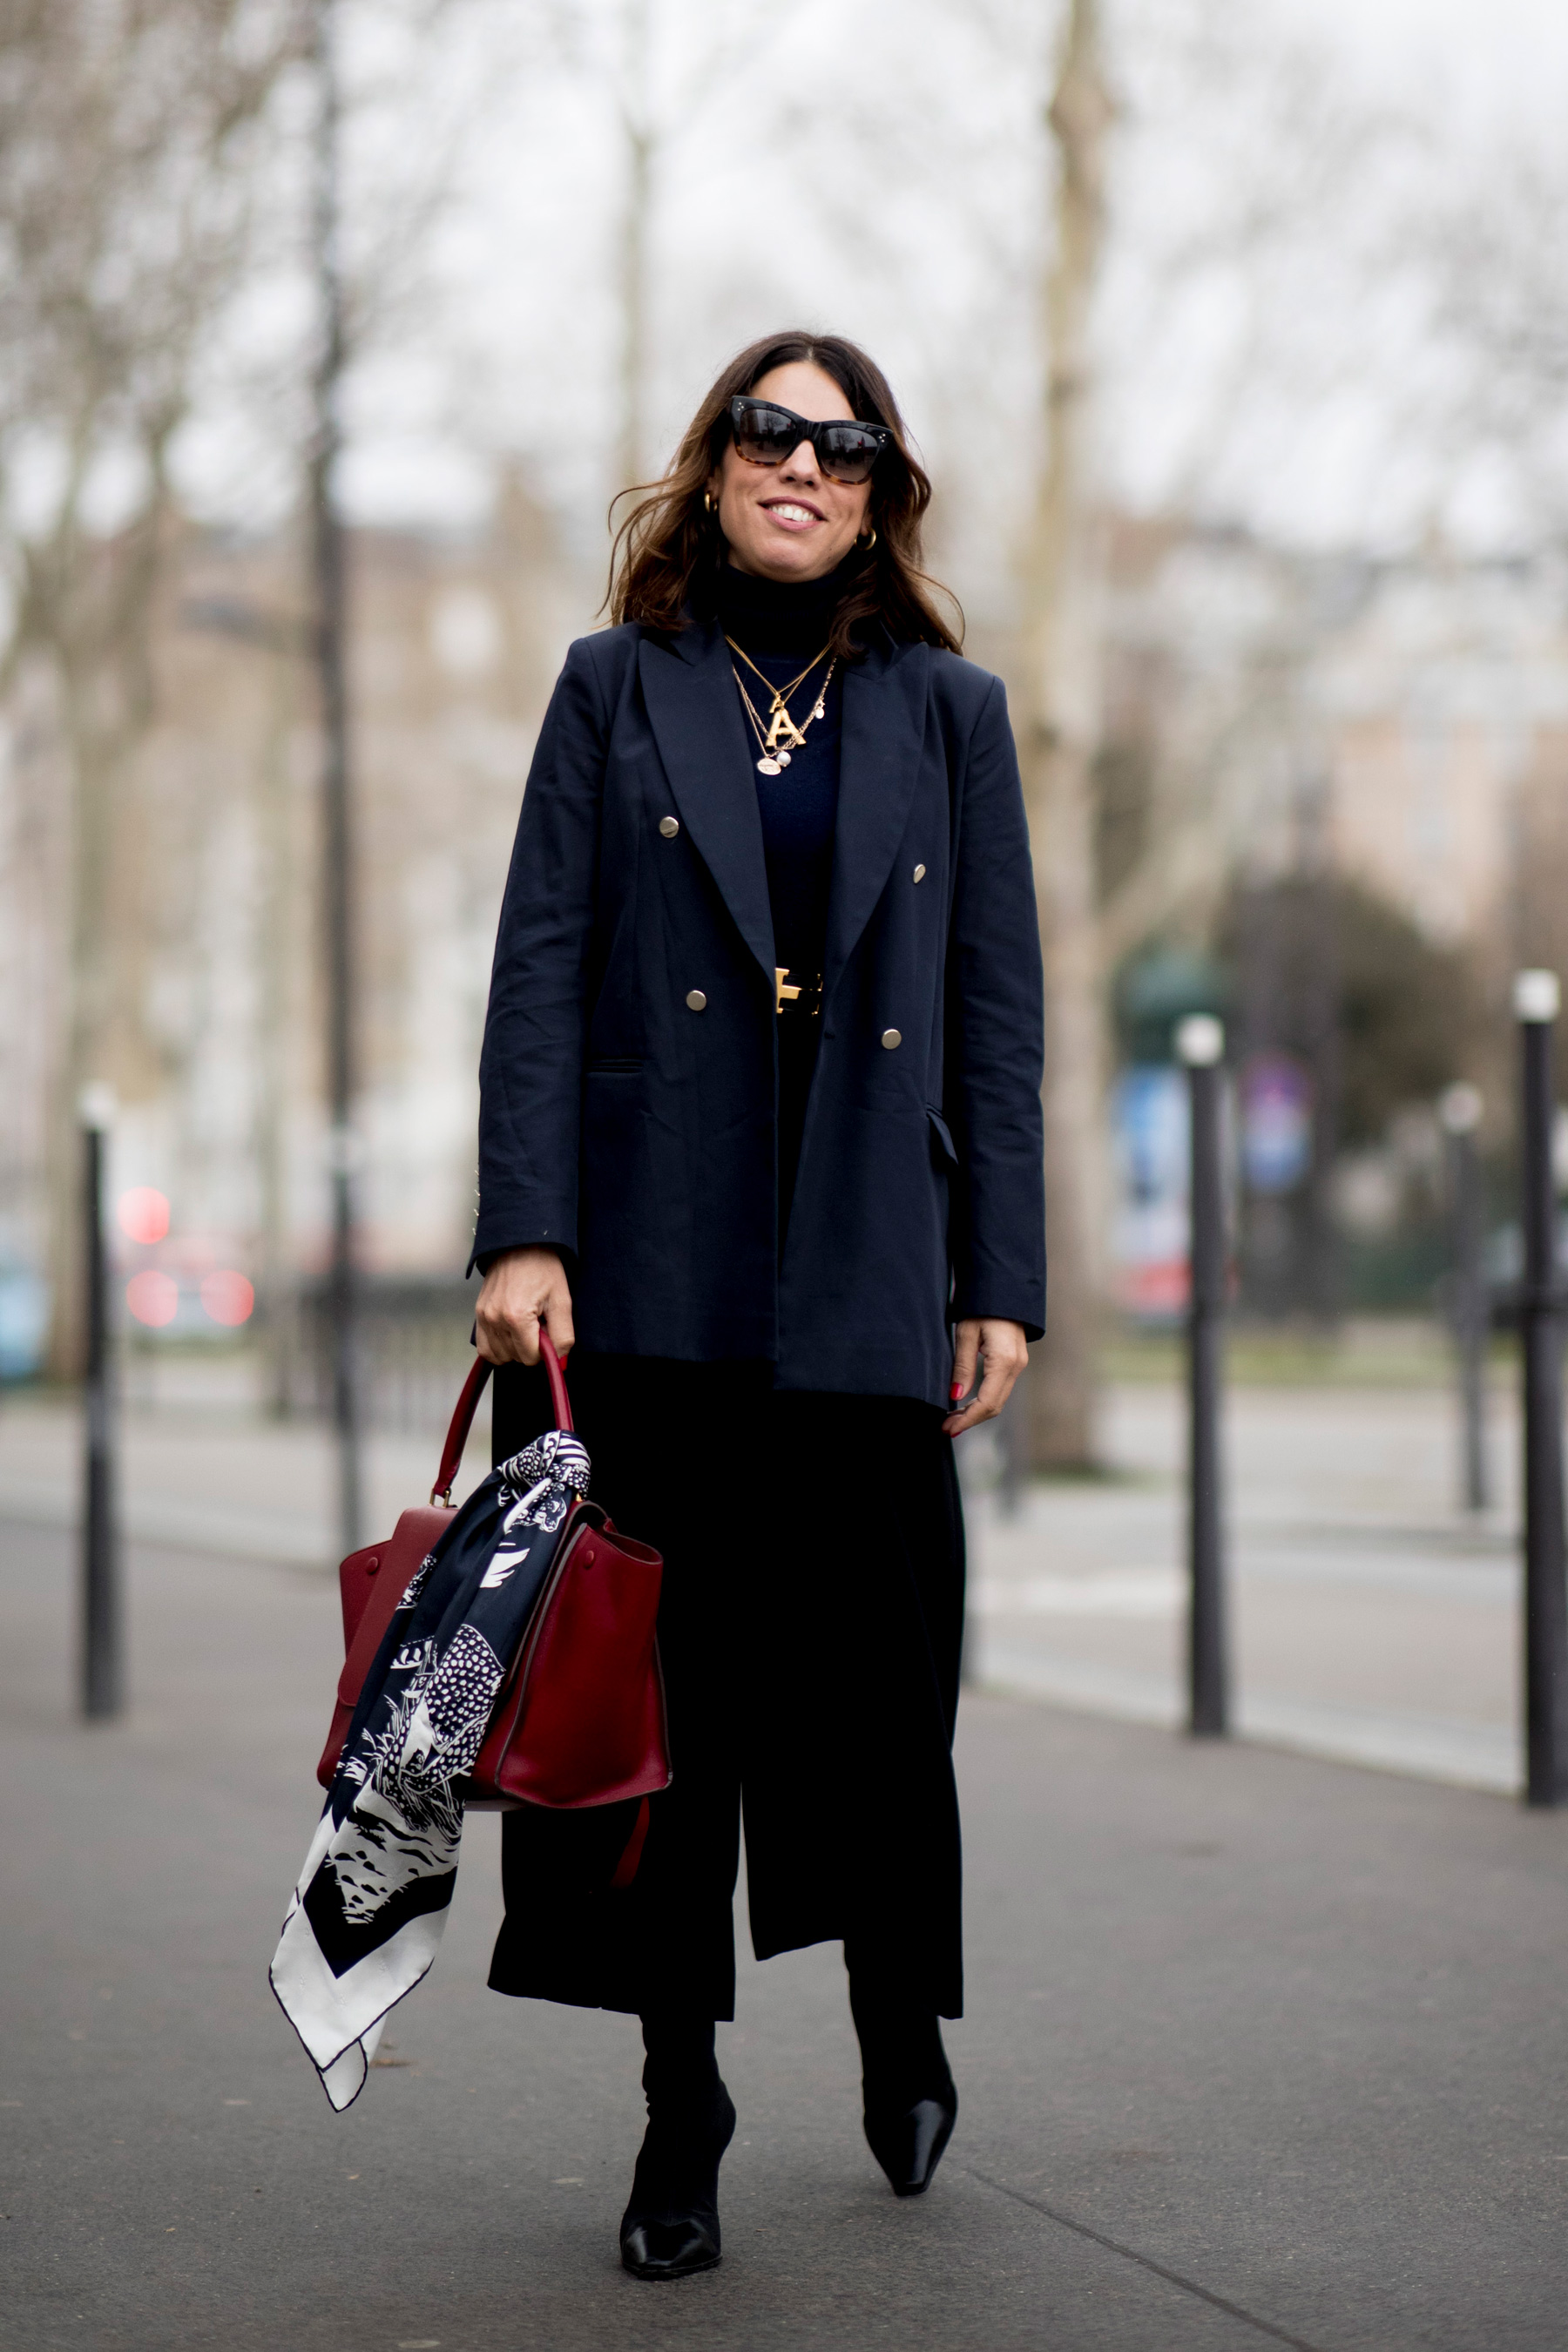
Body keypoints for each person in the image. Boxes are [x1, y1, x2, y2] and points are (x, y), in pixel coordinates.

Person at [470, 330, 1044, 2281]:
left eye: (844, 443)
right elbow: (540, 968)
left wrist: (1003, 1278)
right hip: (652, 1272)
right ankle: (679, 2105)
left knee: (878, 1699)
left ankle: (897, 2013)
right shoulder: (615, 685)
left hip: (870, 1265)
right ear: (713, 462)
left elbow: (995, 1013)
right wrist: (522, 1232)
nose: (802, 462)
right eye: (767, 430)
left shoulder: (949, 712)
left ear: (882, 495)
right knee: (669, 1722)